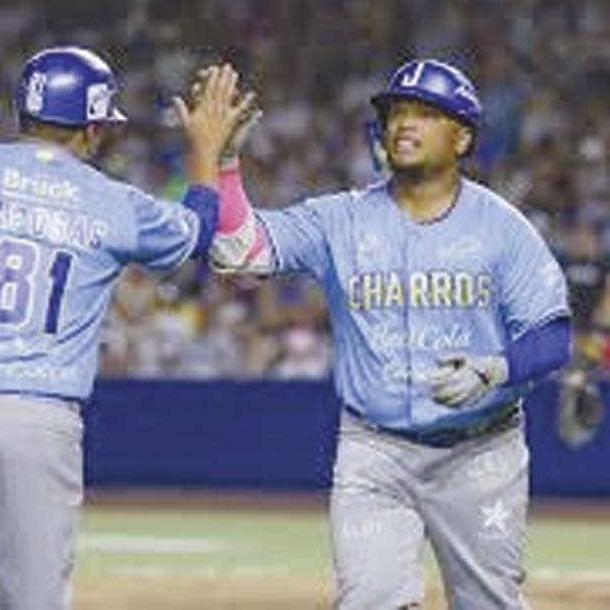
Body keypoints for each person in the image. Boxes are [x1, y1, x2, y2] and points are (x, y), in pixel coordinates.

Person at [0, 47, 251, 609]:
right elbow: (199, 232)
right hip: (37, 421)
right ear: (93, 128)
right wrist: (205, 149)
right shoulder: (111, 202)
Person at [207, 58, 572, 609]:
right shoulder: (340, 219)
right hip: (373, 450)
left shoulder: (504, 228)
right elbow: (239, 248)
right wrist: (225, 163)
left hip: (481, 452)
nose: (404, 123)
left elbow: (553, 336)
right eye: (397, 112)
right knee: (370, 600)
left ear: (463, 137)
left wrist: (495, 368)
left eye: (426, 113)